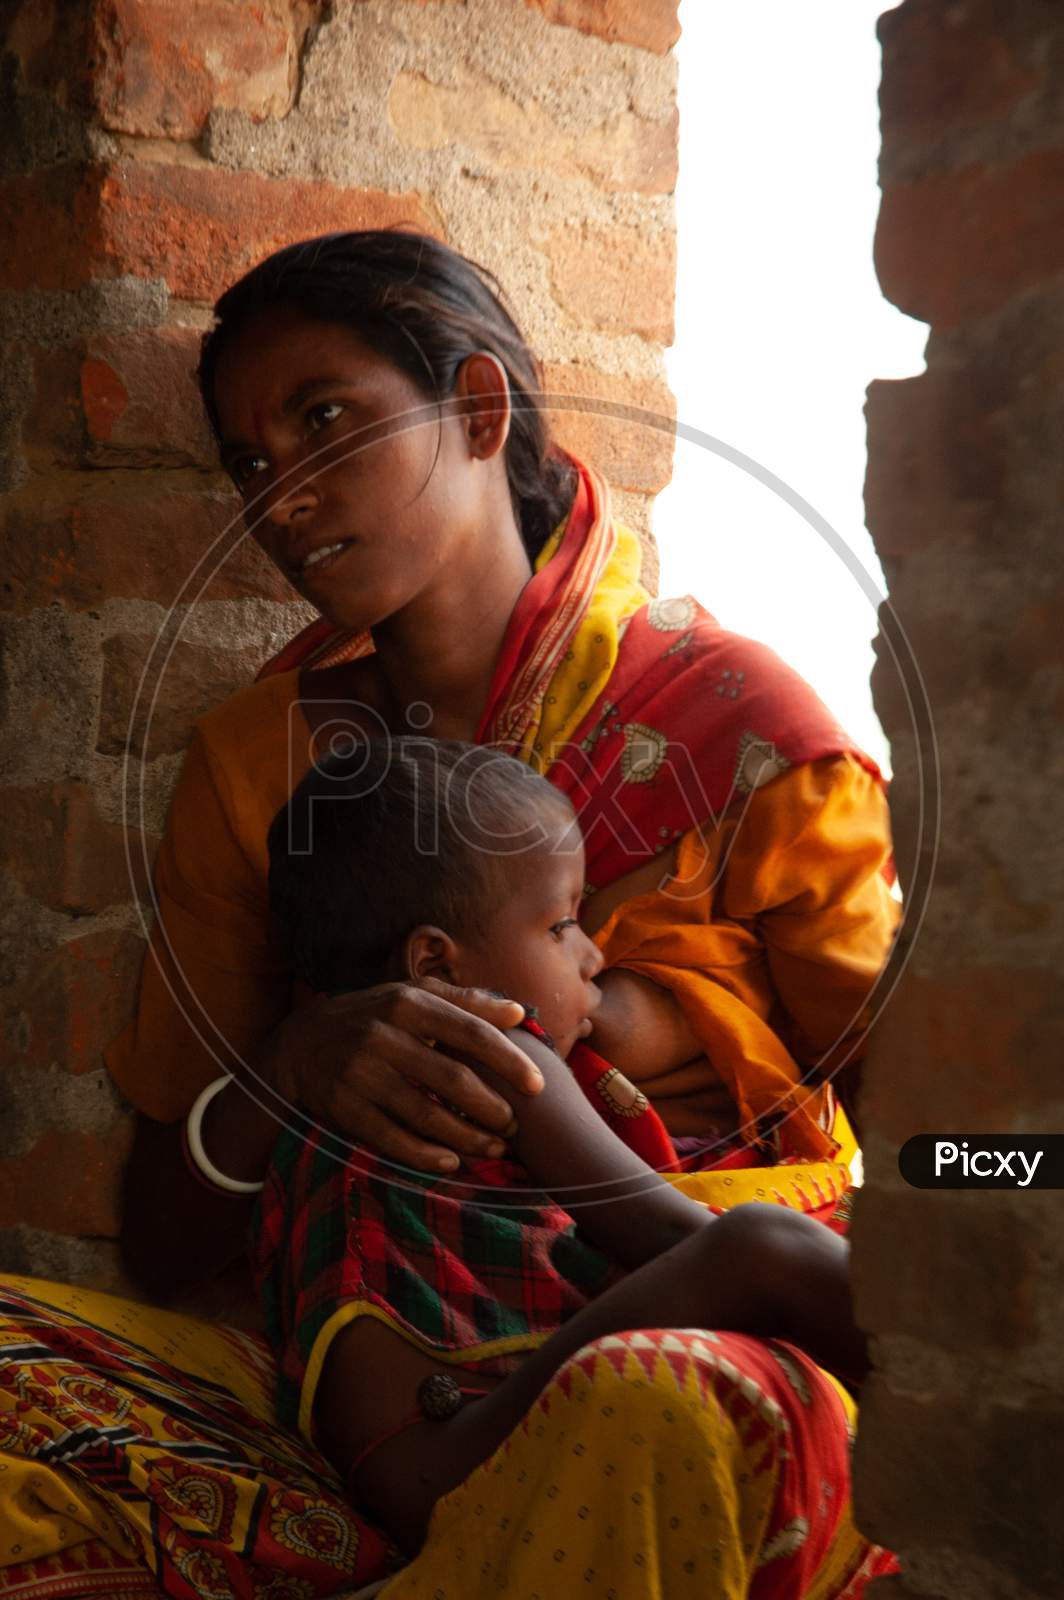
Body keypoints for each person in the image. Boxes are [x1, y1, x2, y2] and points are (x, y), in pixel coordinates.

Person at [0, 228, 898, 1597]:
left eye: (326, 422)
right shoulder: (263, 764)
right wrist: (291, 1080)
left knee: (641, 1412)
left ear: (478, 411)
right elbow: (166, 1233)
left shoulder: (745, 736)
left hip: (728, 1326)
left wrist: (1020, 1186)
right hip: (383, 1367)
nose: (280, 499)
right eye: (248, 463)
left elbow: (939, 1138)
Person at [255, 735, 877, 1587]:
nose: (592, 955)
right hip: (447, 1464)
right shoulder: (491, 1047)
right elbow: (659, 1228)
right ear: (436, 963)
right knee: (764, 1246)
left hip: (411, 1458)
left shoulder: (339, 1076)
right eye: (562, 923)